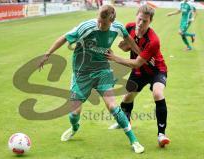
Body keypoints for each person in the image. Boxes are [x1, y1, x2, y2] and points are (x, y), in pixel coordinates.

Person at [38, 5, 144, 153]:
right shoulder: (86, 27)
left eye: (104, 23)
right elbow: (64, 37)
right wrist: (48, 54)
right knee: (74, 113)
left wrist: (141, 55)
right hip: (81, 73)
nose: (100, 24)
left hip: (102, 70)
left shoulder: (117, 27)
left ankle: (134, 141)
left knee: (113, 106)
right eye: (99, 20)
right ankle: (75, 127)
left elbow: (129, 39)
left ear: (111, 22)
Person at [106, 4, 170, 148]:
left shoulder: (153, 41)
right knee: (127, 98)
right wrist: (126, 46)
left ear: (150, 22)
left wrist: (115, 58)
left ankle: (161, 135)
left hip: (156, 70)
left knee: (158, 93)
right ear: (136, 16)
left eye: (145, 21)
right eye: (139, 19)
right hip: (140, 72)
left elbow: (136, 63)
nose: (141, 23)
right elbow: (123, 45)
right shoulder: (129, 27)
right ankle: (124, 122)